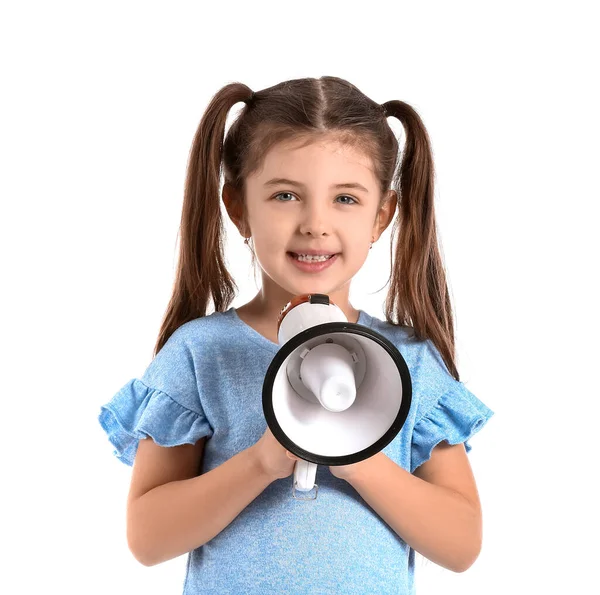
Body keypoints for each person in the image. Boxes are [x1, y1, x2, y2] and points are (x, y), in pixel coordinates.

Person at [98, 76, 494, 594]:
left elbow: (461, 545)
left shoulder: (411, 361)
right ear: (238, 207)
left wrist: (360, 460)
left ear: (382, 216)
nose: (315, 224)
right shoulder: (201, 353)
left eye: (346, 199)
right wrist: (261, 463)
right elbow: (148, 539)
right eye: (286, 195)